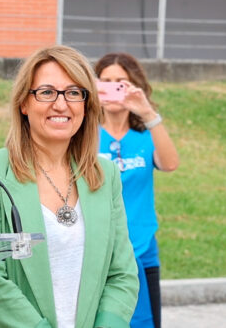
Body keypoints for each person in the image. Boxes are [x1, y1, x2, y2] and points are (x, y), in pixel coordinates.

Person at [0, 45, 138, 328]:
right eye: (46, 92)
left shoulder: (105, 174)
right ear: (24, 103)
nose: (61, 104)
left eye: (73, 92)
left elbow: (122, 273)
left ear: (86, 103)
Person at [95, 53, 179, 328]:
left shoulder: (146, 136)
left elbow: (170, 164)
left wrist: (147, 112)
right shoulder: (85, 136)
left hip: (142, 251)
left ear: (135, 85)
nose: (113, 87)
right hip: (97, 254)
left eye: (121, 81)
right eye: (105, 81)